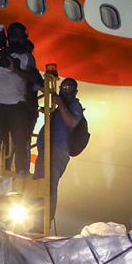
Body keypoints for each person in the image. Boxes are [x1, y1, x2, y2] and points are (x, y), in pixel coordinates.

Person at [0, 22, 42, 180]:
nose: (15, 40)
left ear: (23, 38)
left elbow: (34, 78)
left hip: (17, 104)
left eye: (18, 37)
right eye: (13, 36)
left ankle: (22, 171)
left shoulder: (27, 57)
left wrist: (14, 68)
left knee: (20, 140)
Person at [35, 76, 83, 225]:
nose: (65, 90)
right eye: (63, 87)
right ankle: (37, 219)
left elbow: (72, 122)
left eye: (69, 88)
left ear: (75, 91)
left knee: (48, 185)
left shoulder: (74, 106)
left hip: (57, 150)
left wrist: (60, 104)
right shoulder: (58, 109)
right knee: (39, 183)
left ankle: (43, 221)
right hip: (47, 149)